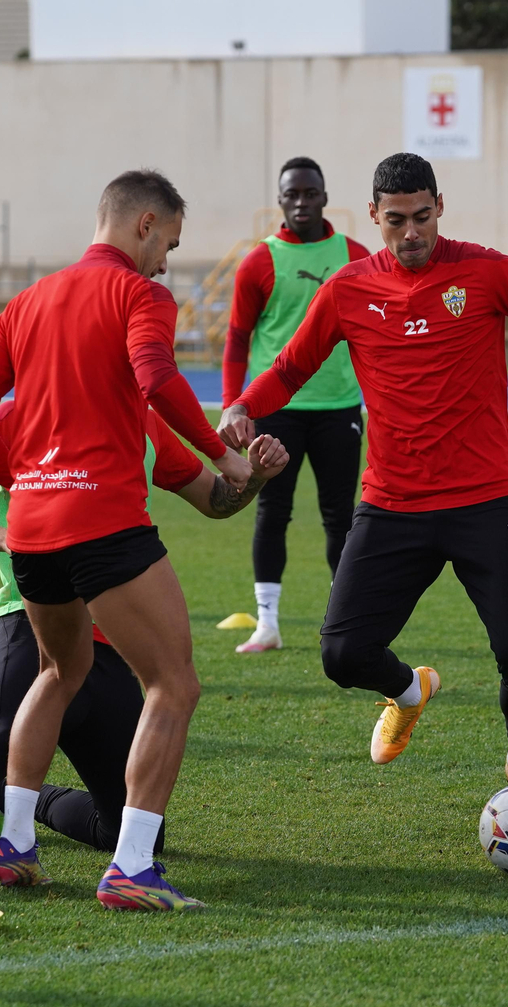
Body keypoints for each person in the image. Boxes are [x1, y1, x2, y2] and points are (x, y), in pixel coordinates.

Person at [220, 152, 508, 788]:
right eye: (396, 220)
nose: (411, 233)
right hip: (393, 506)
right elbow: (290, 369)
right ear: (373, 215)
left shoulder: (483, 270)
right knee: (342, 654)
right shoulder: (348, 289)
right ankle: (407, 692)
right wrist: (242, 404)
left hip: (485, 503)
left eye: (423, 217)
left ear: (440, 208)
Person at [0, 169, 252, 911]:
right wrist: (222, 450)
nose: (167, 265)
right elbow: (156, 378)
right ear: (145, 223)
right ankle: (132, 868)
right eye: (169, 244)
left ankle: (14, 844)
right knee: (174, 684)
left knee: (59, 672)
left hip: (34, 529)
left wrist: (21, 474)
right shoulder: (138, 294)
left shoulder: (28, 301)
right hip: (103, 522)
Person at [0, 400, 288, 901]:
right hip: (30, 622)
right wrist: (15, 539)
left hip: (112, 648)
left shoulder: (142, 417)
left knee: (128, 825)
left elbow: (216, 500)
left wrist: (256, 476)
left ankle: (9, 798)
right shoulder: (15, 418)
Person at [222, 157, 372, 653]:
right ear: (280, 200)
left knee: (340, 517)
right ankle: (267, 623)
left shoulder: (354, 254)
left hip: (339, 407)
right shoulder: (258, 262)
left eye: (311, 193)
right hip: (278, 409)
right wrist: (232, 405)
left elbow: (372, 333)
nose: (302, 202)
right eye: (293, 194)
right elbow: (238, 338)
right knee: (272, 511)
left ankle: (344, 620)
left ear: (325, 197)